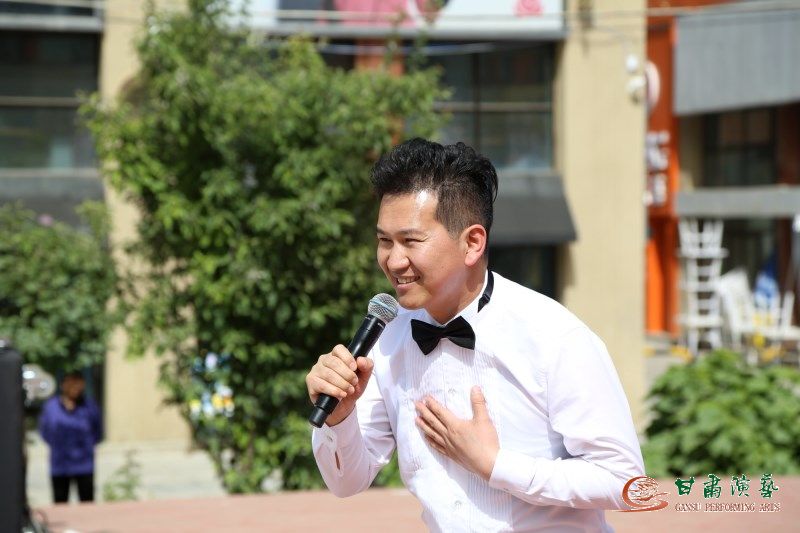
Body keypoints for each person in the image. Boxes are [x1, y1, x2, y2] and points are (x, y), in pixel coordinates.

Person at [306, 139, 644, 532]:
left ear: (472, 243)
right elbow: (346, 482)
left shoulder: (555, 336)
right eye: (384, 241)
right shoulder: (387, 338)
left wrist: (496, 465)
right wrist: (340, 417)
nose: (393, 261)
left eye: (411, 241)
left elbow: (626, 482)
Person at [38, 371, 102, 504]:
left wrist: (85, 445)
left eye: (79, 383)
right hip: (60, 465)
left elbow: (98, 431)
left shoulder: (89, 406)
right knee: (60, 504)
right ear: (63, 385)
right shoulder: (51, 407)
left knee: (87, 504)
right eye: (72, 383)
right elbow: (45, 432)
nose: (76, 387)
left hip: (84, 464)